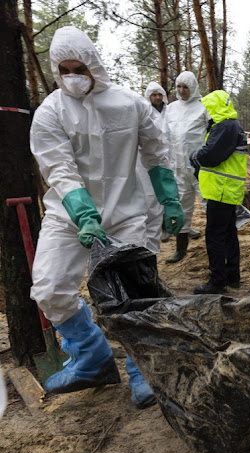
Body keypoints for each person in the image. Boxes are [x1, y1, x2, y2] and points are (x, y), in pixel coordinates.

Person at [29, 27, 184, 407]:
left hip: (126, 213)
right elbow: (59, 169)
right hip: (69, 215)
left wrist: (170, 200)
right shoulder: (50, 111)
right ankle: (91, 356)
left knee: (136, 292)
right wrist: (83, 214)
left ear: (93, 64)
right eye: (63, 69)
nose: (72, 76)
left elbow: (156, 152)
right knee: (49, 287)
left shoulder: (130, 104)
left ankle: (140, 367)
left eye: (78, 67)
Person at [189, 90, 247, 294]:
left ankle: (218, 281)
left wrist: (193, 157)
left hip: (221, 189)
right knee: (228, 234)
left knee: (215, 236)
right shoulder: (230, 125)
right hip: (226, 189)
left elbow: (211, 155)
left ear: (216, 106)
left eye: (209, 107)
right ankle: (232, 277)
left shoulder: (225, 126)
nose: (207, 112)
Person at [165, 71, 209, 262]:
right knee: (182, 208)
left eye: (186, 87)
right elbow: (166, 135)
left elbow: (211, 134)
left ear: (193, 88)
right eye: (179, 87)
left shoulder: (203, 107)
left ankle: (217, 247)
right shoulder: (171, 108)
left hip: (201, 168)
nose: (182, 91)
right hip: (179, 168)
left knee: (210, 206)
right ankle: (180, 249)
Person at [137, 82, 173, 253]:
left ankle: (179, 225)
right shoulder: (145, 113)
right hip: (152, 161)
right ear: (149, 97)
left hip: (171, 157)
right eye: (154, 95)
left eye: (160, 94)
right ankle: (163, 227)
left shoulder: (170, 112)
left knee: (175, 191)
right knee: (155, 195)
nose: (157, 98)